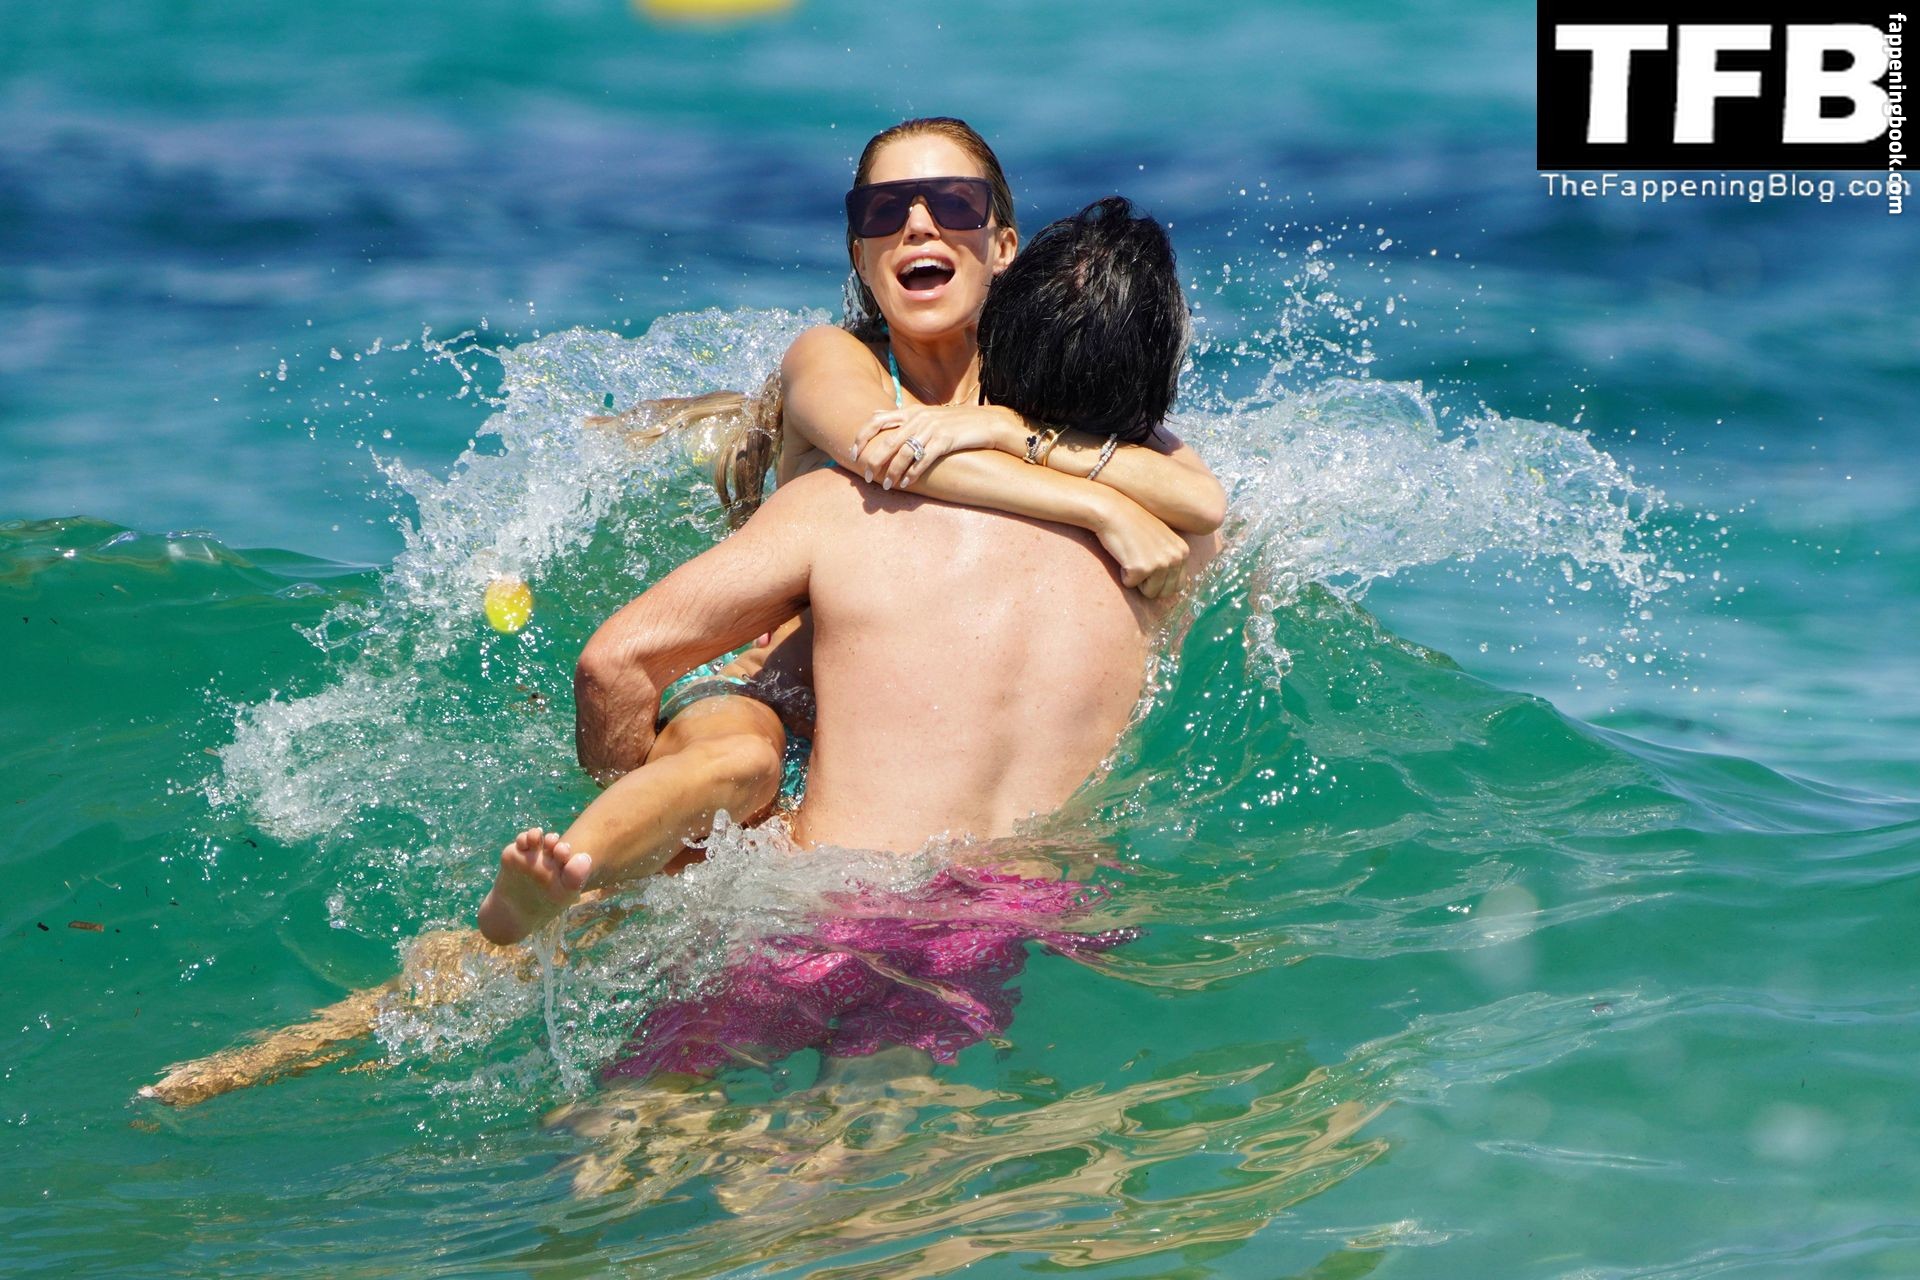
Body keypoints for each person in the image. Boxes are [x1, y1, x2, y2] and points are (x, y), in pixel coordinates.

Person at [497, 197, 1219, 1083]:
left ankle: (596, 888)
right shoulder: (1183, 552)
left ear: (996, 345)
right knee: (876, 1136)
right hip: (1017, 908)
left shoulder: (845, 506)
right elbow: (1190, 483)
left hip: (826, 900)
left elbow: (615, 662)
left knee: (647, 1114)